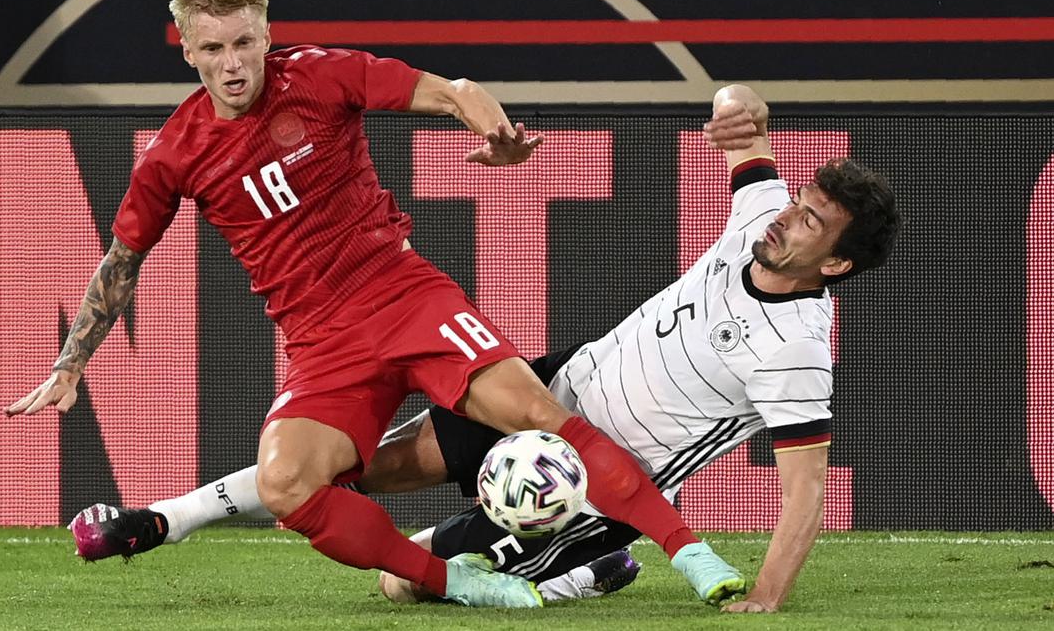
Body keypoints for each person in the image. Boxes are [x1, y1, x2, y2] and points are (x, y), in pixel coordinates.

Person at [3, 0, 744, 609]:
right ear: (187, 50)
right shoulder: (172, 155)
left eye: (243, 43)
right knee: (290, 485)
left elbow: (454, 89)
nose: (232, 64)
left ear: (265, 35)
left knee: (537, 413)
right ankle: (458, 582)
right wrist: (71, 363)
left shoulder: (321, 76)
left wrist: (495, 134)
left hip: (404, 296)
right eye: (212, 49)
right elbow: (119, 263)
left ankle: (691, 554)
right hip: (322, 343)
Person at [62, 84, 900, 613]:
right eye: (799, 200)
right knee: (347, 466)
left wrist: (768, 596)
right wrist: (736, 101)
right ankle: (164, 519)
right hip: (558, 388)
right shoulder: (762, 220)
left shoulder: (794, 350)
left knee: (399, 585)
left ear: (834, 263)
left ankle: (587, 569)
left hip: (594, 487)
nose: (788, 215)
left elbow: (806, 493)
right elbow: (736, 122)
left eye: (811, 221)